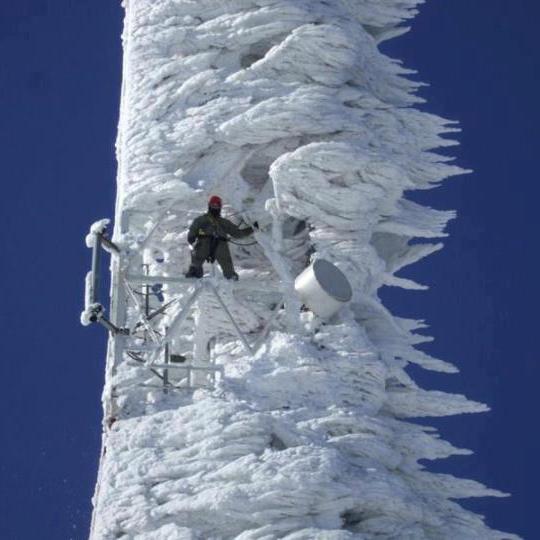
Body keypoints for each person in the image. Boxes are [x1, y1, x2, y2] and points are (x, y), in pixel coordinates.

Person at [185, 195, 257, 280]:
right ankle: (195, 271)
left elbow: (238, 233)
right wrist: (191, 236)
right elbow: (193, 229)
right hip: (204, 242)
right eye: (213, 205)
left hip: (220, 244)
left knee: (226, 261)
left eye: (216, 206)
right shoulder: (201, 220)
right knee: (198, 255)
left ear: (220, 207)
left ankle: (230, 276)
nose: (214, 208)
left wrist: (252, 229)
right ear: (209, 206)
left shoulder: (224, 222)